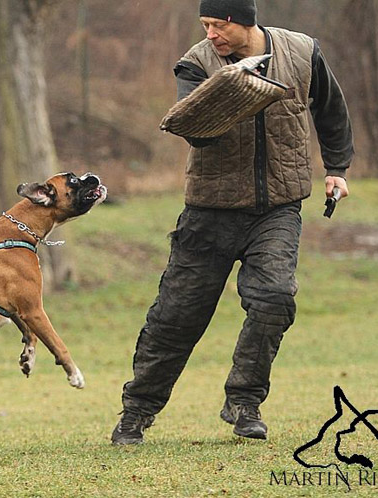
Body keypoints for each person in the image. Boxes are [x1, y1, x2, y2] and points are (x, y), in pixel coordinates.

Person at [111, 0, 354, 444]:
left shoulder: (302, 51)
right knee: (176, 317)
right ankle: (137, 411)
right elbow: (192, 127)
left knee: (274, 298)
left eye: (217, 25)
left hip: (278, 207)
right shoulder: (195, 63)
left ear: (245, 21)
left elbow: (331, 109)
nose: (210, 34)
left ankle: (244, 402)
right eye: (204, 24)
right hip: (210, 209)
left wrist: (337, 167)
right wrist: (228, 88)